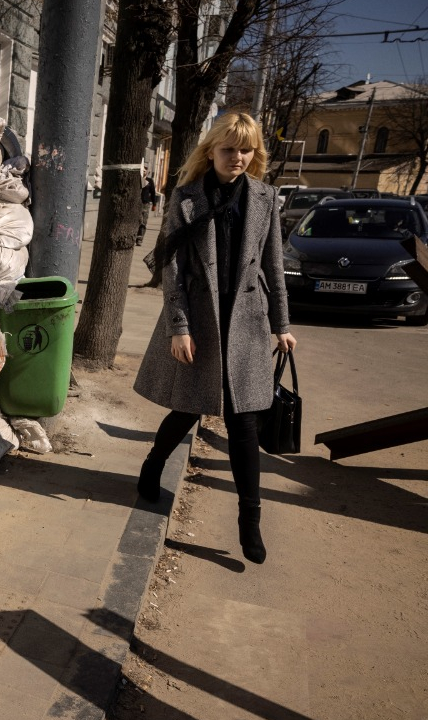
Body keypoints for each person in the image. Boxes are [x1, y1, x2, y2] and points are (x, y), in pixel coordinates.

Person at [133, 112, 298, 565]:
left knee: (244, 422)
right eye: (229, 149)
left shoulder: (265, 198)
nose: (238, 158)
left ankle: (250, 520)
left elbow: (273, 268)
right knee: (187, 408)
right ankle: (152, 465)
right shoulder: (186, 198)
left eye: (246, 150)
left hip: (245, 323)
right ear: (211, 151)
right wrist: (179, 328)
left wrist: (281, 325)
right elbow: (172, 272)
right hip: (202, 322)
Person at [137, 173, 158, 246]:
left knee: (143, 221)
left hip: (145, 203)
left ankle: (139, 239)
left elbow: (153, 192)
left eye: (146, 168)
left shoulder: (149, 180)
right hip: (135, 203)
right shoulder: (136, 178)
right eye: (143, 168)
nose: (144, 170)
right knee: (136, 220)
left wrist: (154, 204)